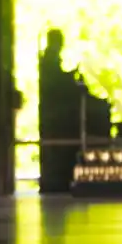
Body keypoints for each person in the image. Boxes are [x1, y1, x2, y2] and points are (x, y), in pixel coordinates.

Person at [38, 29, 82, 193]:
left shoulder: (51, 58)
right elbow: (55, 83)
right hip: (55, 114)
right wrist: (70, 78)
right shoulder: (49, 59)